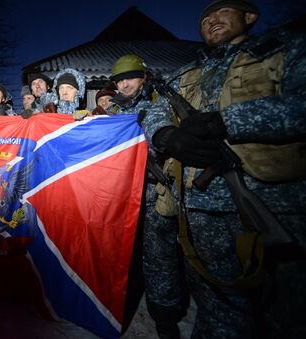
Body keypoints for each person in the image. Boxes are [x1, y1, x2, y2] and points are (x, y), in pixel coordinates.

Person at [142, 1, 306, 337]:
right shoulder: (186, 73)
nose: (211, 20)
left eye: (222, 12)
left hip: (276, 204)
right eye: (204, 18)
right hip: (201, 208)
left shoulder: (288, 49)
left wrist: (226, 122)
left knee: (288, 313)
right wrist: (166, 136)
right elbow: (155, 111)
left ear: (250, 17)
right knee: (219, 309)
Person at [107, 54, 187, 339]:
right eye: (119, 79)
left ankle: (165, 313)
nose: (124, 83)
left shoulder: (159, 102)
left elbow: (164, 141)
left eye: (129, 77)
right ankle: (124, 299)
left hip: (154, 190)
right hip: (121, 194)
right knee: (124, 252)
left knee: (159, 255)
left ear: (143, 78)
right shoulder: (112, 112)